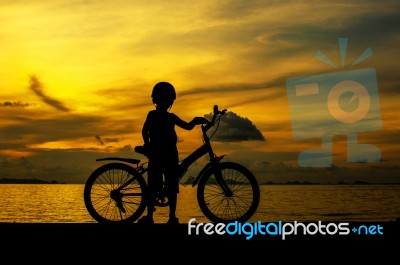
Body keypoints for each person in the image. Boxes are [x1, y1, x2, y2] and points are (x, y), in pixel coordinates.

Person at [138, 81, 208, 225]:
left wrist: (195, 121)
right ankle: (164, 217)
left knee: (166, 185)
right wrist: (148, 145)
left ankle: (161, 217)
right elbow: (145, 131)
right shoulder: (162, 116)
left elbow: (188, 126)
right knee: (163, 186)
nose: (165, 102)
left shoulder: (165, 116)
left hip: (165, 155)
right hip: (161, 155)